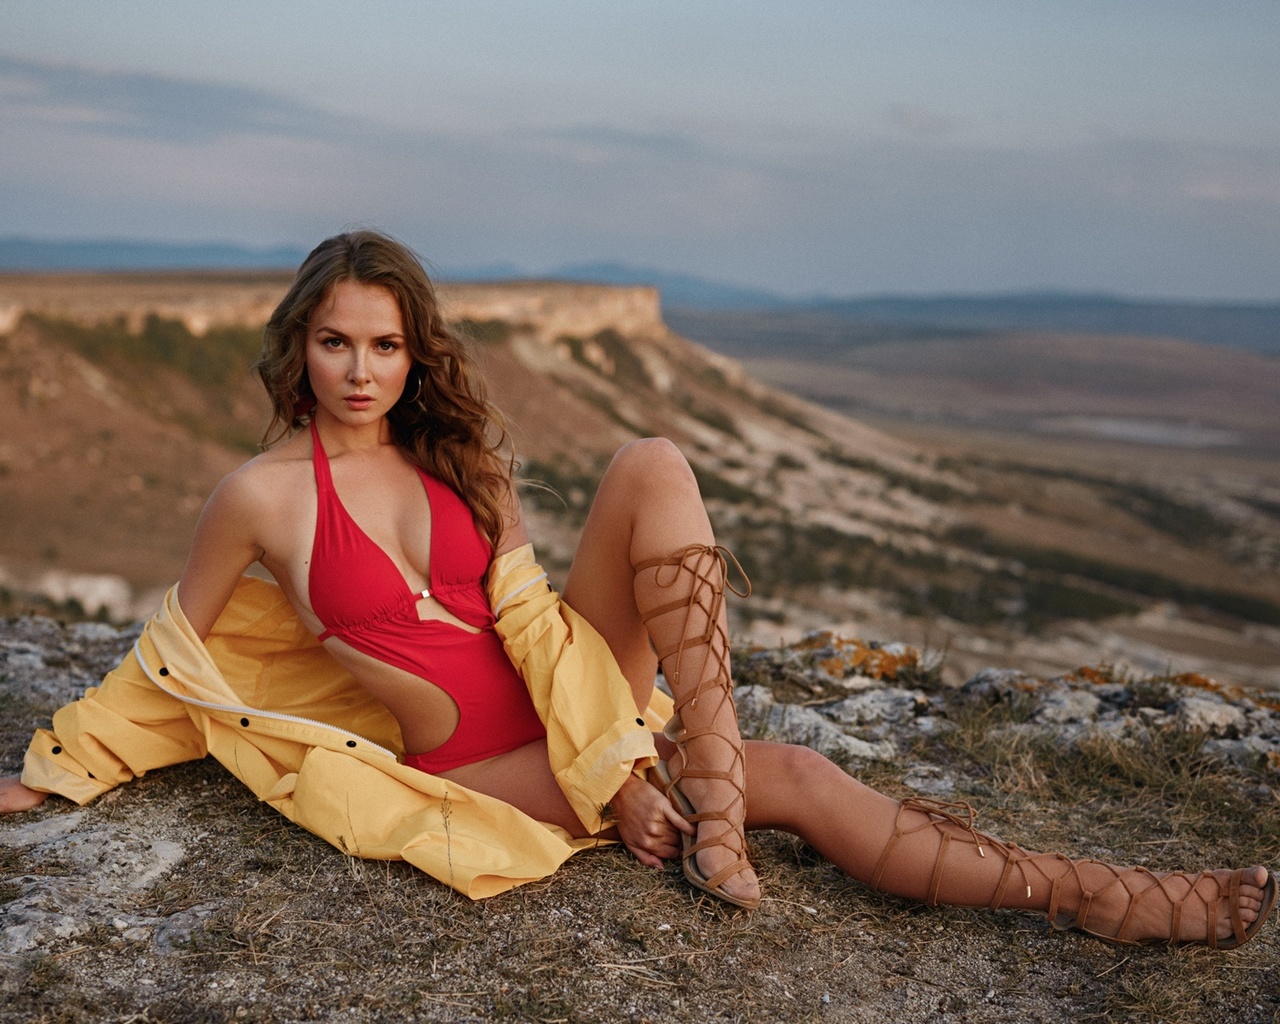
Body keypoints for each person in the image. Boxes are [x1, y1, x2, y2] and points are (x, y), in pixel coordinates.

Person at [2, 230, 1273, 948]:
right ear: (297, 344)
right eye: (336, 341)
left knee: (653, 460)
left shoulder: (459, 464)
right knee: (812, 784)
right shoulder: (259, 499)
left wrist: (621, 753)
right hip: (478, 759)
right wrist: (56, 770)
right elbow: (175, 660)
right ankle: (1083, 893)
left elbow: (525, 623)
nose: (360, 368)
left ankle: (732, 801)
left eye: (385, 344)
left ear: (413, 350)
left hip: (573, 702)